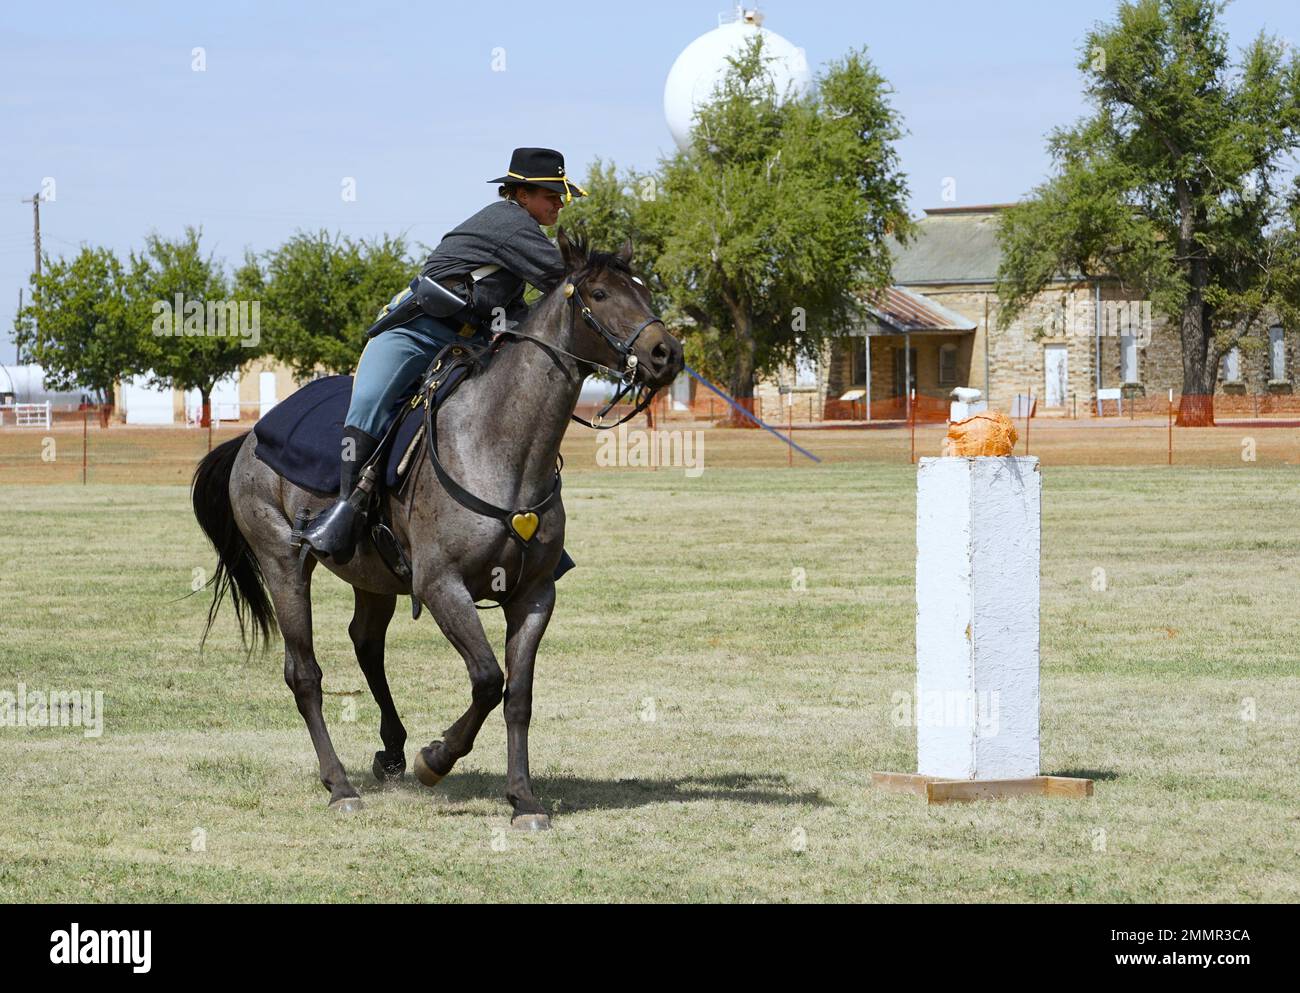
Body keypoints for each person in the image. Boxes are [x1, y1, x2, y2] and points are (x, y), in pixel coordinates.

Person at [299, 147, 587, 564]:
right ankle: (346, 512)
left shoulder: (520, 231)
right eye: (550, 194)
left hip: (466, 344)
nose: (559, 203)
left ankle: (519, 530)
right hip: (416, 332)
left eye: (560, 196)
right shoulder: (511, 224)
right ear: (522, 195)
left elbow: (522, 312)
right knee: (367, 407)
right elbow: (566, 282)